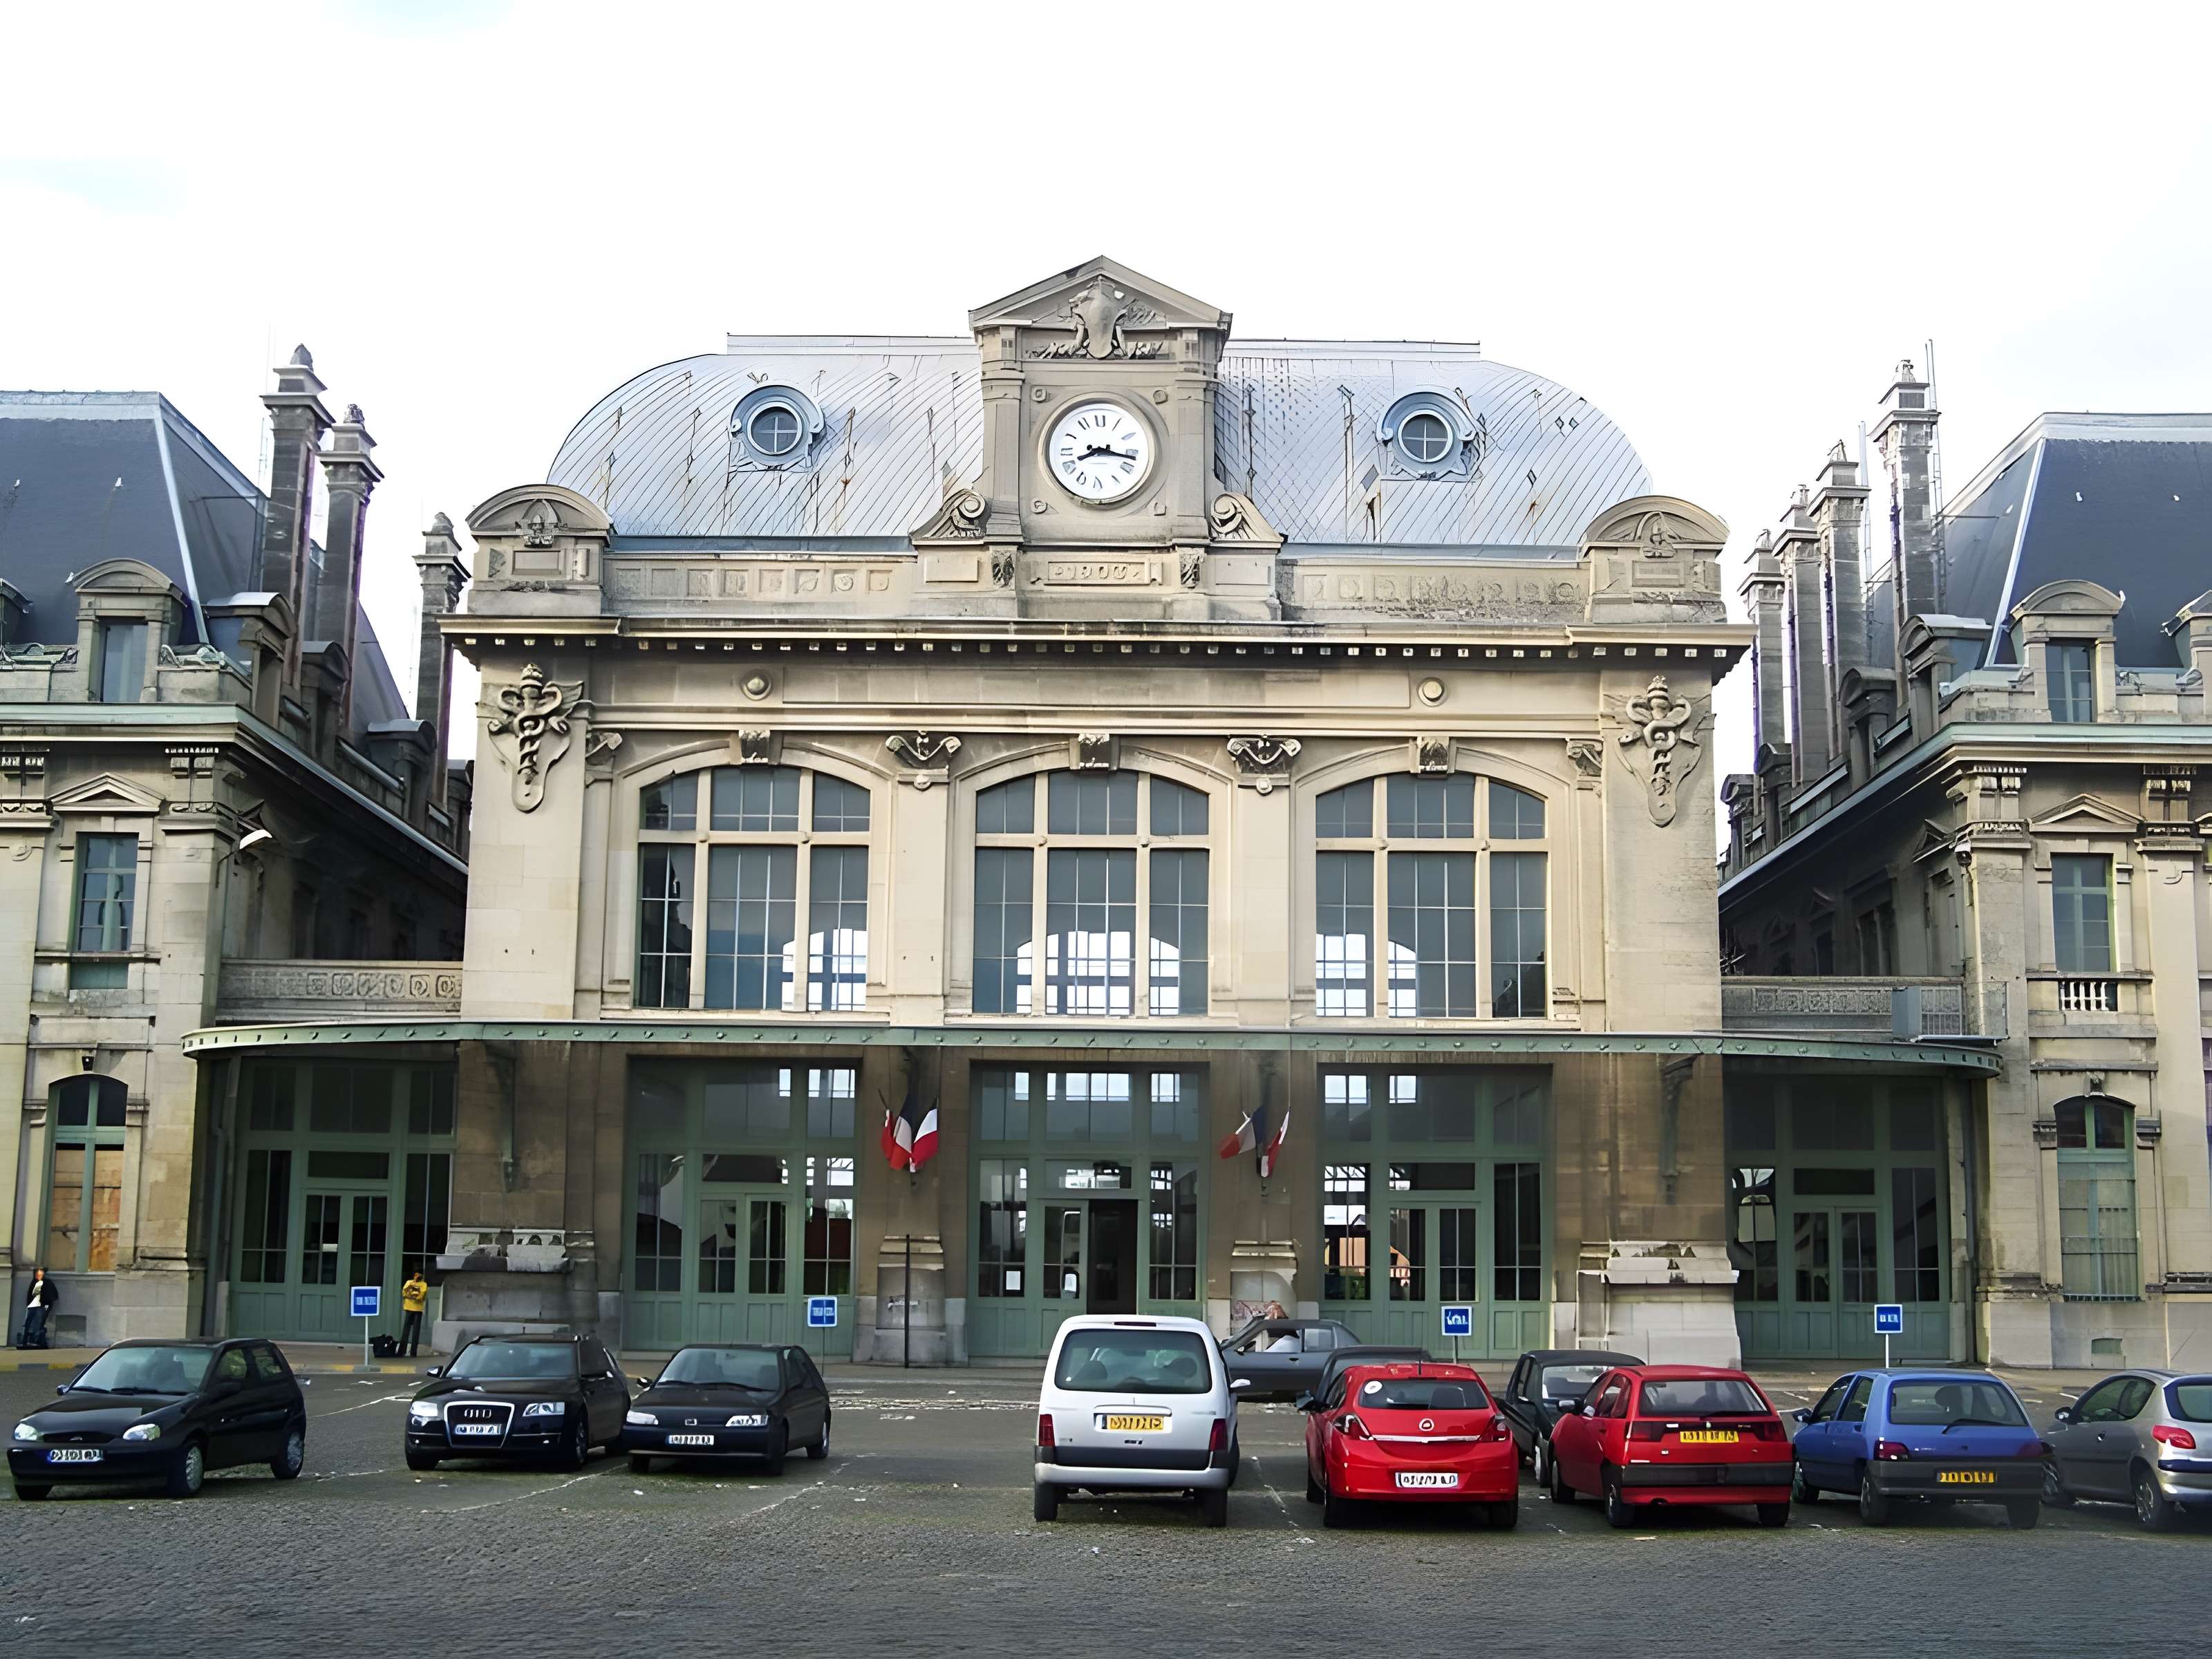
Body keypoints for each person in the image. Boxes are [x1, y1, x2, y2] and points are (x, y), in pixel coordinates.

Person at [18, 1268, 58, 1350]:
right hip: (39, 1306)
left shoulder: (42, 1283)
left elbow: (53, 1295)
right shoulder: (42, 1282)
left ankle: (35, 1341)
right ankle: (35, 1341)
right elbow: (55, 1295)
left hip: (41, 1306)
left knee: (35, 1324)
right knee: (36, 1324)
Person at [399, 1267, 429, 1358]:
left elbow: (421, 1296)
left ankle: (413, 1352)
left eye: (419, 1275)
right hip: (409, 1308)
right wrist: (413, 1283)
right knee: (406, 1331)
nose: (418, 1276)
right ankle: (402, 1351)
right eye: (416, 1274)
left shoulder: (424, 1284)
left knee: (416, 1332)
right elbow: (404, 1292)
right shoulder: (409, 1282)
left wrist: (413, 1294)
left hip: (417, 1310)